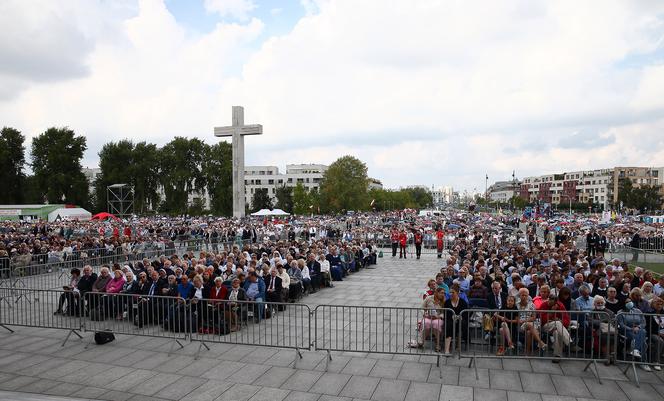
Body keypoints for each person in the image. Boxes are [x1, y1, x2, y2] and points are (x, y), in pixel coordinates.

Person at [616, 293, 649, 371]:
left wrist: (638, 327)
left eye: (630, 301)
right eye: (627, 302)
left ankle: (636, 351)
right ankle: (643, 362)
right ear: (623, 304)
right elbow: (621, 324)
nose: (629, 303)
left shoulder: (638, 311)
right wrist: (631, 329)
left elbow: (643, 322)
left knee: (643, 332)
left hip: (638, 330)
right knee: (643, 340)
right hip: (627, 331)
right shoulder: (620, 312)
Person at [538, 294, 571, 362]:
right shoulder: (544, 305)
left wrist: (560, 320)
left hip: (558, 327)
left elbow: (567, 320)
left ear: (556, 302)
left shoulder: (560, 306)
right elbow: (542, 320)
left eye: (551, 302)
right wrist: (551, 313)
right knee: (557, 323)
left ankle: (557, 356)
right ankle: (569, 341)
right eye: (549, 300)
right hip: (545, 326)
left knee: (557, 332)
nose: (549, 303)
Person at [516, 287, 546, 354]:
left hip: (530, 323)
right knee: (529, 325)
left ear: (528, 296)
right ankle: (540, 342)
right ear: (519, 295)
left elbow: (534, 317)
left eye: (525, 295)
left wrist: (525, 320)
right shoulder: (516, 305)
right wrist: (521, 321)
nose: (524, 297)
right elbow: (515, 316)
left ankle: (527, 351)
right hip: (520, 325)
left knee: (529, 332)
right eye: (522, 295)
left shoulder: (532, 305)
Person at [419, 287, 445, 351]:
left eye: (443, 293)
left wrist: (439, 316)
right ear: (436, 293)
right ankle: (422, 341)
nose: (443, 294)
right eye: (441, 293)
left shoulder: (444, 301)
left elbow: (445, 312)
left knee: (436, 324)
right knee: (426, 323)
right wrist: (425, 314)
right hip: (428, 316)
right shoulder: (428, 298)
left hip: (437, 318)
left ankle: (438, 344)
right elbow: (422, 308)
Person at [443, 285, 468, 355]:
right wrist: (452, 317)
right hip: (450, 320)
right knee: (449, 326)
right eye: (450, 293)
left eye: (452, 292)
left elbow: (465, 314)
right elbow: (446, 314)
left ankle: (458, 346)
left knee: (461, 324)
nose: (451, 294)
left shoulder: (463, 302)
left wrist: (460, 317)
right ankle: (447, 349)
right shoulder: (447, 302)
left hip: (460, 320)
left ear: (457, 293)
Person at [646, 297, 664, 371]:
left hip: (663, 332)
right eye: (657, 304)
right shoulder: (649, 314)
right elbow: (648, 328)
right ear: (653, 304)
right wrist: (659, 333)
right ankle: (656, 361)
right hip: (653, 333)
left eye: (661, 304)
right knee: (659, 340)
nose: (659, 306)